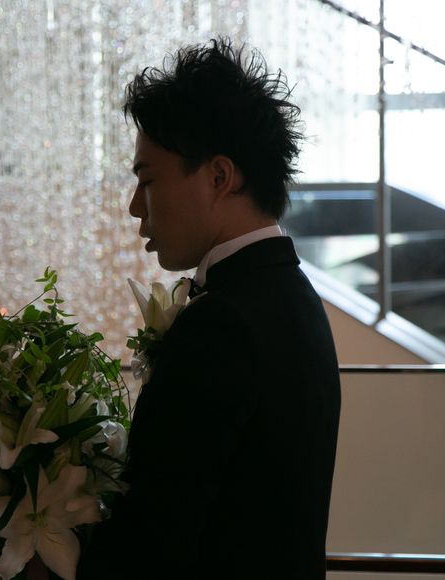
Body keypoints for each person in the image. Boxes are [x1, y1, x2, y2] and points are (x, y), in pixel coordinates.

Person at [78, 37, 341, 579]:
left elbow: (153, 548)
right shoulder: (295, 296)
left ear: (220, 177)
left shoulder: (222, 325)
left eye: (147, 180)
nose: (134, 206)